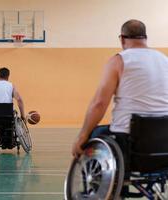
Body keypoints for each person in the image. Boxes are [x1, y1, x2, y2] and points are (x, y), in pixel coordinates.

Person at [72, 19, 168, 196]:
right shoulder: (164, 60)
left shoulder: (119, 60)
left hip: (129, 145)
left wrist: (82, 136)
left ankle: (103, 193)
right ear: (145, 37)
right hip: (163, 147)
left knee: (95, 135)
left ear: (122, 39)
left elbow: (99, 103)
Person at [0, 67, 25, 149]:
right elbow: (19, 100)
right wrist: (23, 116)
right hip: (8, 118)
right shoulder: (11, 85)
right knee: (12, 116)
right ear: (8, 77)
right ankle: (8, 141)